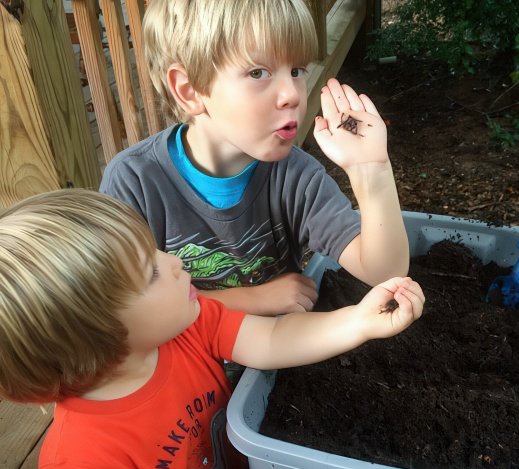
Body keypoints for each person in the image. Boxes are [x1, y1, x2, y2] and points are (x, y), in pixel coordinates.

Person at [0, 189, 424, 469]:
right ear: (91, 336)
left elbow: (271, 337)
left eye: (155, 250)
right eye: (150, 271)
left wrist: (356, 322)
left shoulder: (185, 326)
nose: (174, 260)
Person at [99, 0, 410, 317]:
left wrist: (371, 171)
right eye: (258, 72)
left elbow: (384, 272)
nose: (292, 93)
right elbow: (123, 309)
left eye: (296, 70)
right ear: (190, 90)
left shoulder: (295, 178)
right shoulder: (134, 181)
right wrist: (253, 300)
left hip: (274, 361)